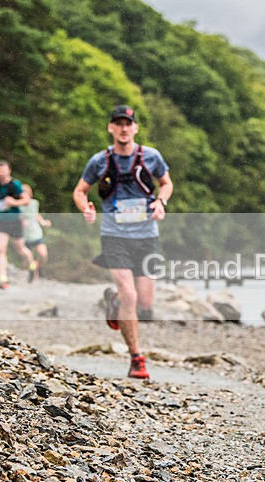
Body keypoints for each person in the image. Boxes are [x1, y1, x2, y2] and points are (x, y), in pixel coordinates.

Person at [73, 105, 173, 380]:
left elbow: (166, 183)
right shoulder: (100, 161)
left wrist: (161, 203)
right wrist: (86, 208)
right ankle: (136, 358)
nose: (123, 128)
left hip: (146, 236)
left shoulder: (150, 156)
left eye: (128, 123)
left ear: (135, 128)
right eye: (118, 123)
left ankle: (113, 299)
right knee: (130, 295)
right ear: (110, 128)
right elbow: (80, 191)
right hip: (114, 235)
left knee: (145, 302)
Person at [0, 161, 37, 289]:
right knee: (0, 249)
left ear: (9, 171)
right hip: (1, 221)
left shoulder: (15, 185)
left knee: (20, 249)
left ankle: (32, 264)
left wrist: (14, 202)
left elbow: (26, 200)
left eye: (3, 170)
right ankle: (2, 277)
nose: (1, 173)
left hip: (15, 221)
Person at [19, 184, 52, 282]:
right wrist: (21, 221)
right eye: (22, 193)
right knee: (27, 259)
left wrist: (44, 222)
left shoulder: (34, 203)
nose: (23, 196)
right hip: (24, 236)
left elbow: (36, 215)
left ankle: (37, 267)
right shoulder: (18, 207)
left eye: (25, 193)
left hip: (36, 233)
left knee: (43, 254)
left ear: (30, 194)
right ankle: (32, 274)